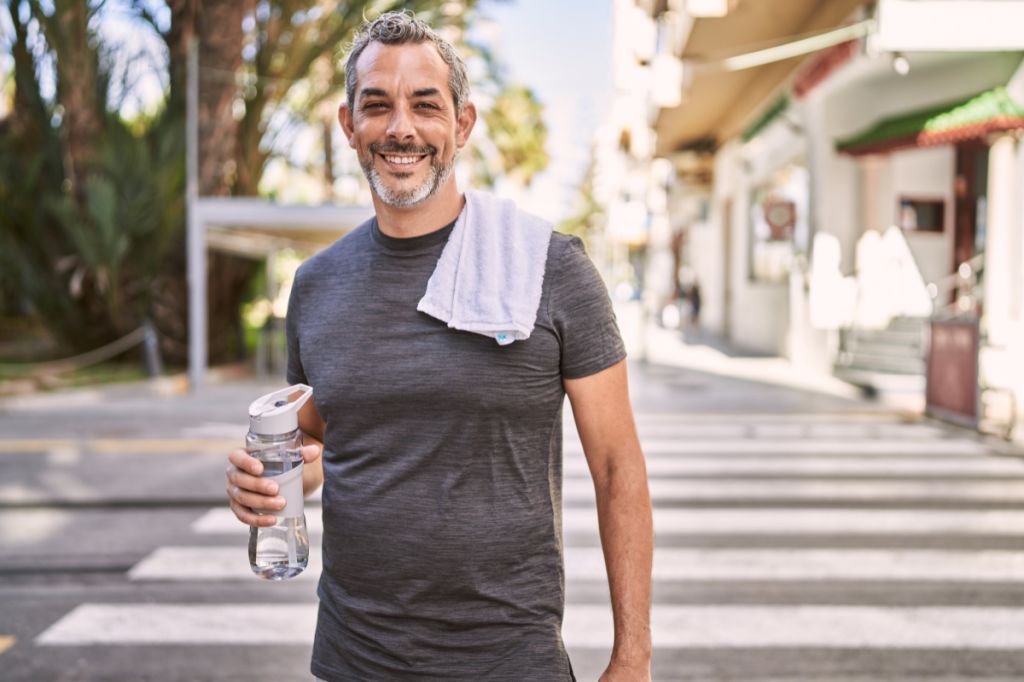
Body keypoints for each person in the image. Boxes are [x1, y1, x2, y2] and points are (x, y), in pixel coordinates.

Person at [225, 11, 652, 681]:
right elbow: (316, 447)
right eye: (377, 106)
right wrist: (269, 483)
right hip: (353, 658)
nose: (401, 128)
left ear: (462, 124)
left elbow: (618, 468)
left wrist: (634, 657)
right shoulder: (314, 287)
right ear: (348, 127)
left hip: (510, 660)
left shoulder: (551, 268)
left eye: (426, 105)